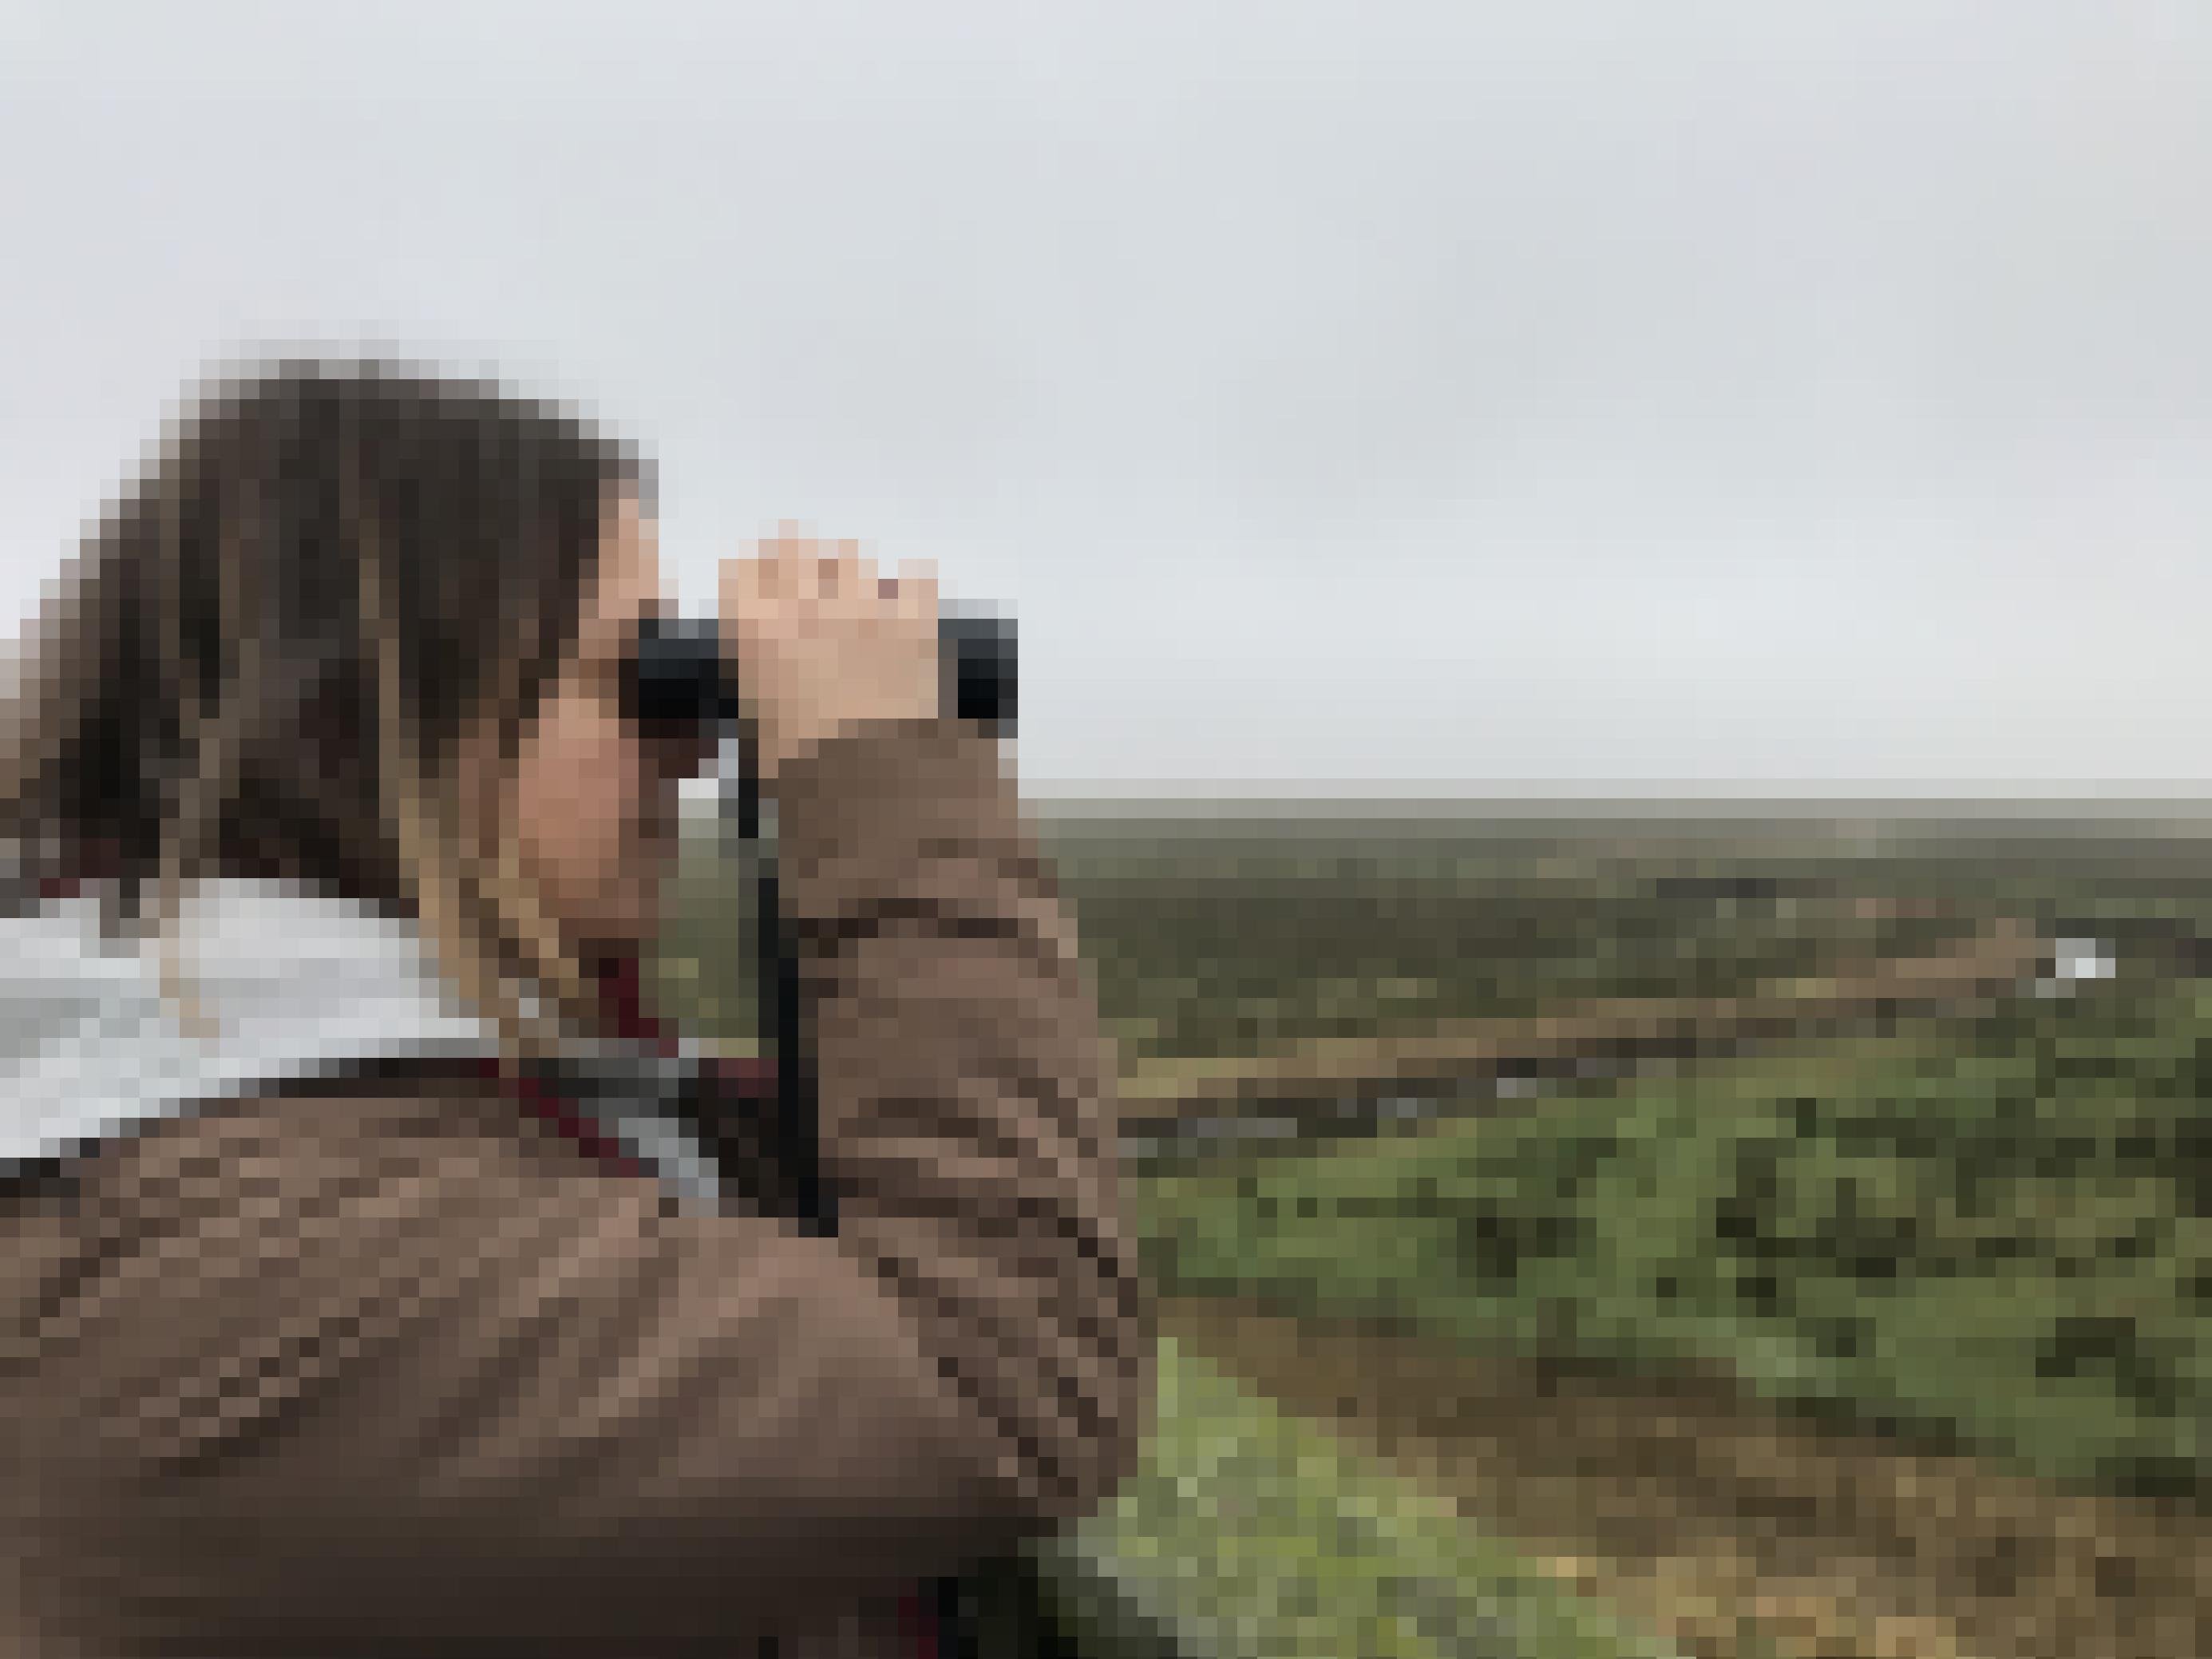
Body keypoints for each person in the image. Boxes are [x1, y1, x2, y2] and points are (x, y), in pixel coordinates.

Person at [0, 360, 1152, 1658]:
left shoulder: (231, 1100)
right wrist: (885, 786)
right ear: (362, 716)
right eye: (637, 678)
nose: (697, 742)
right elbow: (997, 1376)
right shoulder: (245, 1251)